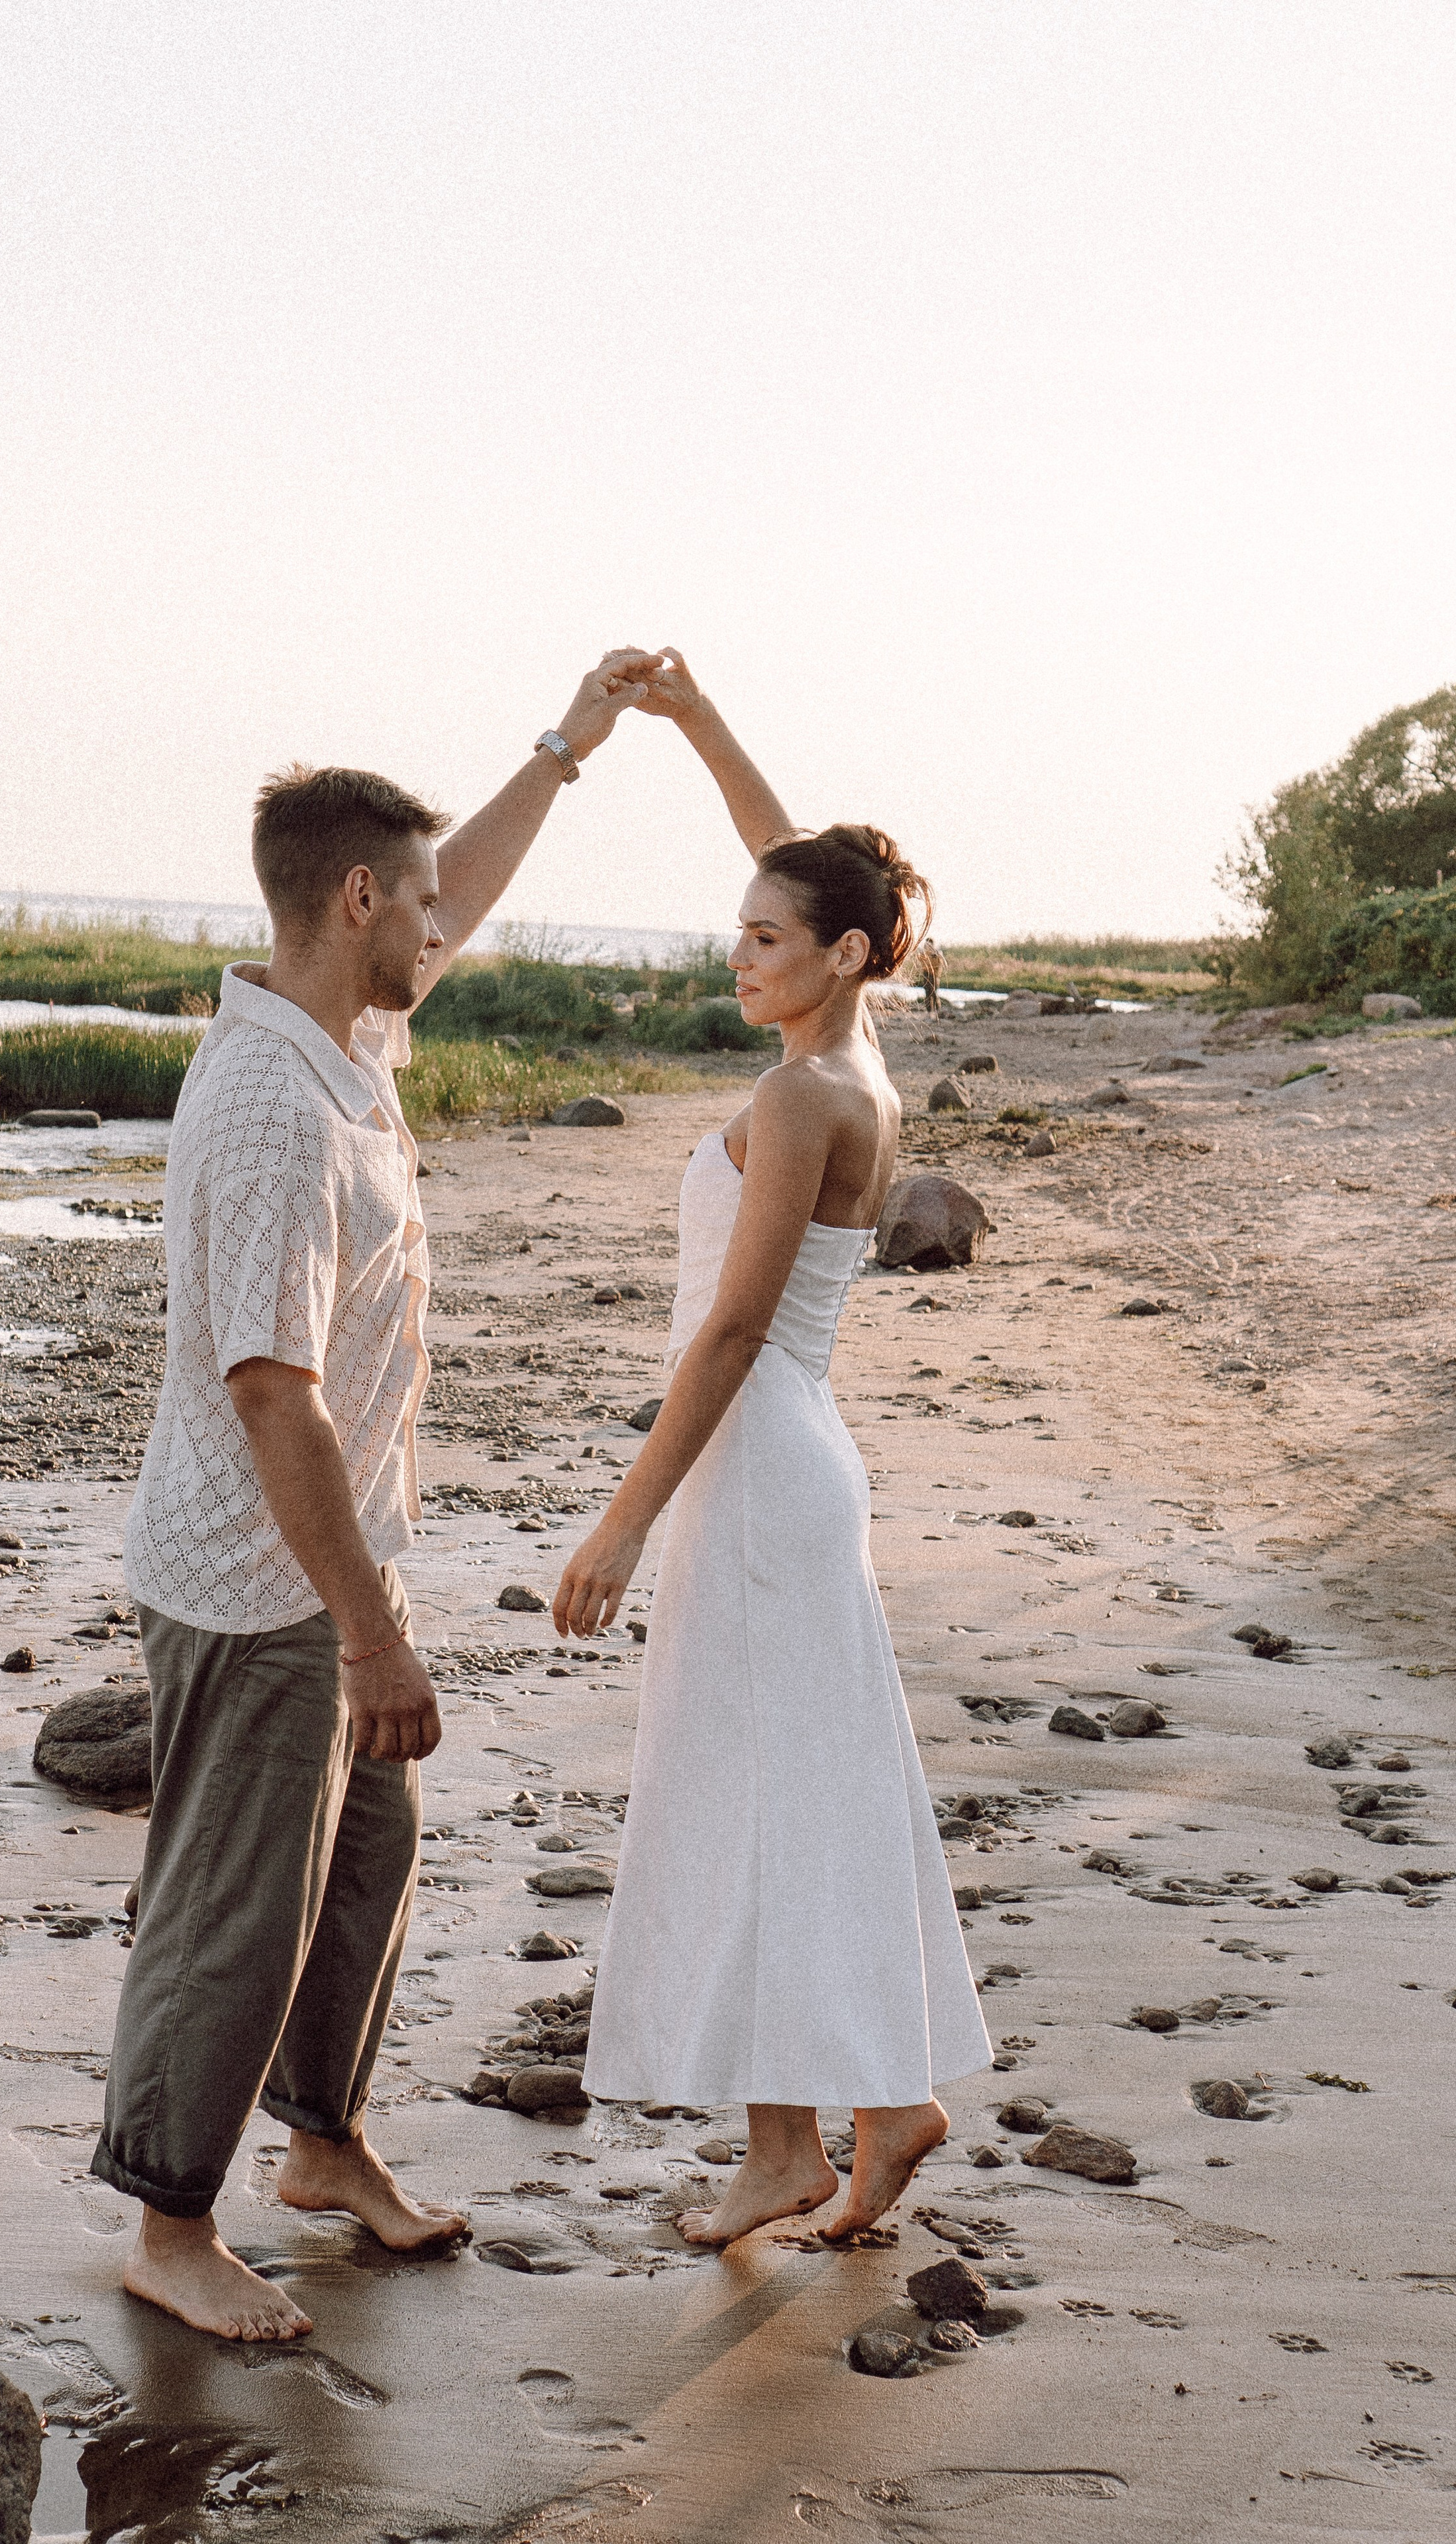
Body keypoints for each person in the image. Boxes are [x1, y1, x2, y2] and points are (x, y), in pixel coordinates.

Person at [95, 651, 658, 2339]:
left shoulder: (343, 1029)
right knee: (236, 1903)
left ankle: (322, 2146)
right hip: (255, 1577)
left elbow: (460, 884)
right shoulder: (273, 1101)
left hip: (331, 1560)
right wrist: (366, 1637)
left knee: (363, 1863)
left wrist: (566, 746)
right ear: (356, 901)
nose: (443, 925)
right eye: (415, 902)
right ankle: (167, 2216)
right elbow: (270, 1394)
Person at [555, 651, 992, 2247]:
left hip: (750, 1462)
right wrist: (690, 721)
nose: (734, 952)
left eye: (761, 938)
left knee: (744, 1796)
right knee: (802, 1790)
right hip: (793, 1463)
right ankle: (869, 2110)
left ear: (842, 956)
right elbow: (810, 864)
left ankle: (785, 2144)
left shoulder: (805, 1090)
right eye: (732, 928)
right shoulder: (853, 1051)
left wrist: (614, 1525)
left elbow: (725, 1335)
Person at [917, 935, 943, 1016]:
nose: (928, 946)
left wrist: (937, 975)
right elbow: (920, 960)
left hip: (934, 975)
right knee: (927, 993)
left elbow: (940, 965)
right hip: (926, 974)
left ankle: (937, 1011)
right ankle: (929, 1011)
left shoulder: (937, 954)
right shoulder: (924, 954)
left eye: (929, 945)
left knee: (934, 993)